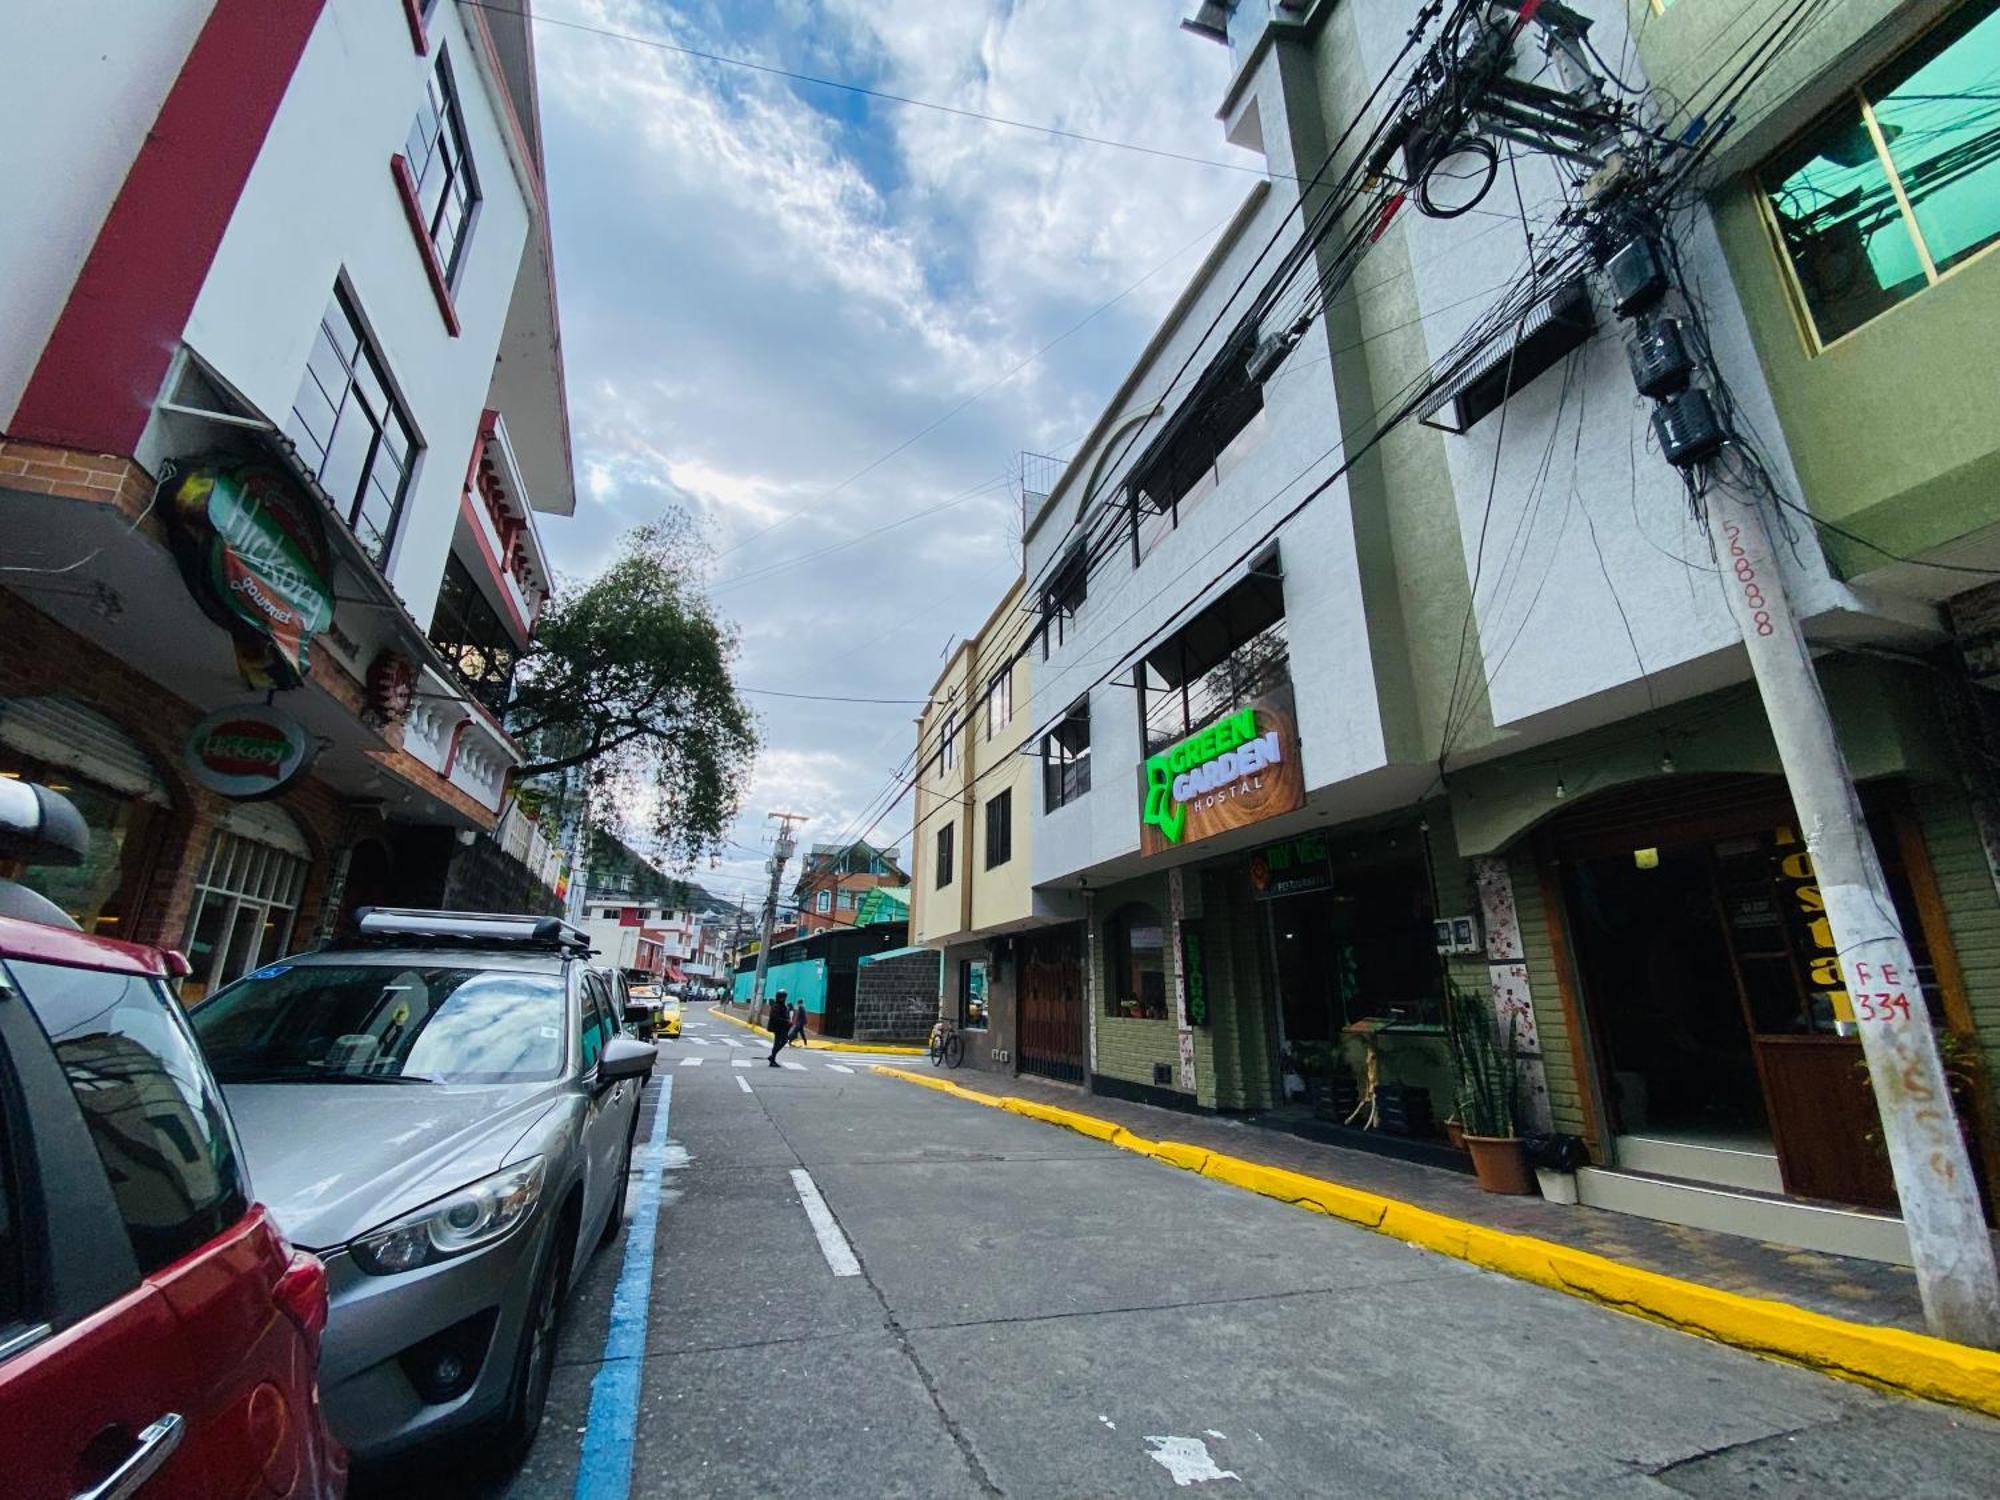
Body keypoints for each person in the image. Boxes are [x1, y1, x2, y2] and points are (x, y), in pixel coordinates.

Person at [767, 991, 790, 1067]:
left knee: (783, 1041)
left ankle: (772, 1056)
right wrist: (786, 1021)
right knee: (778, 1042)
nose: (784, 999)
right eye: (783, 997)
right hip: (778, 1028)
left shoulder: (782, 1005)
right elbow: (775, 1018)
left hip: (782, 1027)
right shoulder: (776, 1006)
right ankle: (772, 1059)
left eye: (785, 997)